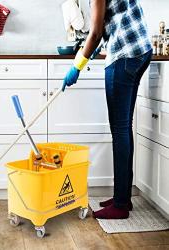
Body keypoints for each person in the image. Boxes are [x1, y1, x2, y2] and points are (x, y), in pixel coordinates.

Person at [63, 0, 152, 219]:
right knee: (125, 128)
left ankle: (121, 205)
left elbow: (95, 32)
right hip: (141, 50)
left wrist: (78, 65)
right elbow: (108, 23)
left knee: (120, 130)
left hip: (124, 55)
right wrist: (95, 47)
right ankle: (123, 196)